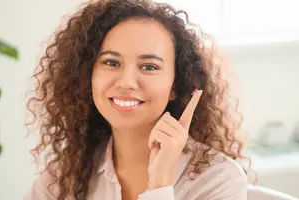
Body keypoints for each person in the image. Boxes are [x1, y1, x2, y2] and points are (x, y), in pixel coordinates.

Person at [24, 0, 249, 199]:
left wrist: (159, 184)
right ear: (87, 75)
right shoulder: (65, 176)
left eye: (149, 67)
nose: (126, 82)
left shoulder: (217, 179)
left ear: (176, 85)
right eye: (111, 63)